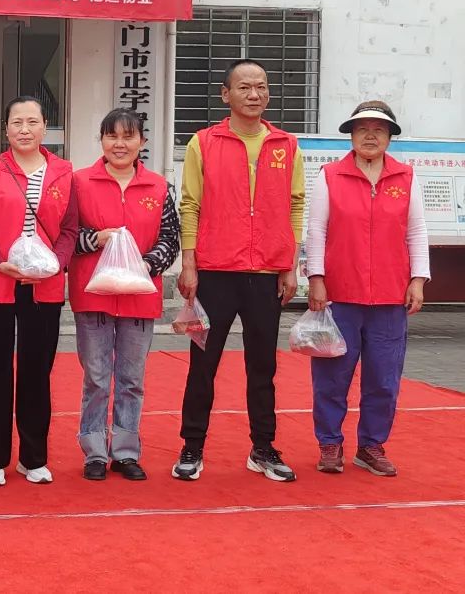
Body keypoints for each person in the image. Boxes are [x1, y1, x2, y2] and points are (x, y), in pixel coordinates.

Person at [174, 59, 305, 483]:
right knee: (203, 363)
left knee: (263, 367)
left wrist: (289, 265)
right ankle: (192, 447)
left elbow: (295, 205)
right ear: (225, 95)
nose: (254, 94)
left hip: (266, 273)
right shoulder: (203, 143)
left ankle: (263, 448)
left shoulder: (286, 144)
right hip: (214, 272)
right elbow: (189, 204)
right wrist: (189, 263)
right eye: (245, 86)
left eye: (261, 86)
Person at [305, 101, 429, 476]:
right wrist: (316, 278)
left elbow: (416, 232)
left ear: (390, 137)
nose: (370, 136)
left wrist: (418, 279)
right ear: (351, 136)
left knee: (384, 378)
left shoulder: (406, 178)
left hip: (391, 297)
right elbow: (316, 231)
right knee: (332, 376)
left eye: (379, 129)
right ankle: (330, 443)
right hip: (340, 296)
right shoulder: (330, 176)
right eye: (362, 129)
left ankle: (371, 445)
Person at [0, 96, 78, 486]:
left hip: (43, 286)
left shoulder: (63, 172)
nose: (24, 129)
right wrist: (0, 263)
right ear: (6, 129)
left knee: (36, 371)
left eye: (32, 122)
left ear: (46, 127)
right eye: (17, 122)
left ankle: (33, 457)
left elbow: (70, 230)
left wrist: (53, 265)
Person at [68, 109, 179, 481]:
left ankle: (126, 452)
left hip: (140, 297)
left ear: (141, 142)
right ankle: (94, 451)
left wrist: (144, 265)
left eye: (128, 136)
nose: (120, 144)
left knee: (132, 379)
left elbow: (170, 239)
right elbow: (66, 235)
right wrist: (96, 238)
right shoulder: (79, 182)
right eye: (112, 136)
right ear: (101, 140)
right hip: (93, 295)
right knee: (97, 377)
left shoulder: (159, 187)